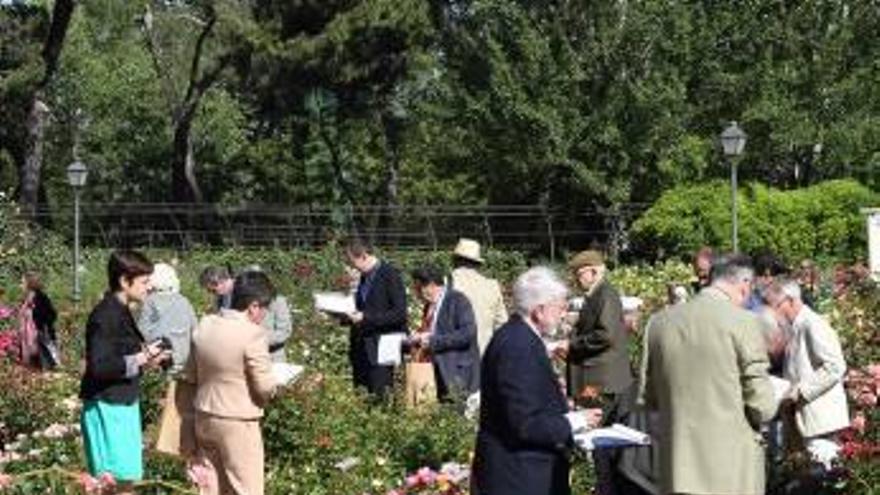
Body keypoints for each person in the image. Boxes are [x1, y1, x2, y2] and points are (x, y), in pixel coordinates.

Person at [641, 254, 777, 495]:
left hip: (677, 465)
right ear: (744, 284)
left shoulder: (659, 323)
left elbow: (649, 399)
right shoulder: (744, 322)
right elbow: (762, 405)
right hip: (731, 464)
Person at [472, 266, 602, 495]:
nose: (564, 315)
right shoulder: (518, 346)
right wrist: (575, 421)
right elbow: (525, 424)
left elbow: (525, 401)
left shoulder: (519, 337)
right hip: (519, 477)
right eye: (561, 307)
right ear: (540, 310)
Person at [79, 251, 171, 492]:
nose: (149, 287)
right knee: (112, 482)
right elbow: (100, 366)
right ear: (123, 281)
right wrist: (143, 356)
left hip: (121, 404)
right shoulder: (105, 315)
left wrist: (149, 360)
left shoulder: (121, 310)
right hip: (108, 406)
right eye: (144, 281)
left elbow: (120, 357)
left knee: (125, 480)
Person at [181, 270, 279, 495]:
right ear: (254, 306)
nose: (264, 314)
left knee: (210, 487)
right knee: (246, 488)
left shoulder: (205, 325)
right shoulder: (252, 334)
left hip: (204, 416)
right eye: (265, 308)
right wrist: (275, 386)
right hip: (238, 420)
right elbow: (264, 387)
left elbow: (190, 375)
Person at [762, 279, 850, 463]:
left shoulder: (813, 324)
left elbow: (835, 366)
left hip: (820, 424)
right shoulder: (796, 327)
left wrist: (800, 390)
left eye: (775, 306)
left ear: (792, 301)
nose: (772, 312)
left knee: (825, 480)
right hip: (806, 422)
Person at [343, 238, 407, 397]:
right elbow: (361, 308)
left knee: (381, 397)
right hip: (361, 349)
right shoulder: (364, 277)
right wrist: (344, 315)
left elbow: (399, 314)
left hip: (381, 349)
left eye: (352, 262)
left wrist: (365, 317)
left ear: (364, 256)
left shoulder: (389, 275)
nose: (351, 267)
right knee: (362, 397)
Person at [409, 265, 480, 402]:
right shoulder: (429, 305)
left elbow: (467, 334)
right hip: (436, 371)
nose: (415, 293)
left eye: (417, 288)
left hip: (457, 373)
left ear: (430, 285)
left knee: (457, 418)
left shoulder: (457, 300)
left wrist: (433, 341)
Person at [138, 263, 198, 375]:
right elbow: (195, 329)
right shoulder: (184, 300)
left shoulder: (151, 301)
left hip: (161, 359)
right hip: (184, 357)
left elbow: (142, 332)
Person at [449, 238, 507, 355]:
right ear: (477, 263)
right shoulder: (492, 286)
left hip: (455, 358)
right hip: (485, 354)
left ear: (455, 260)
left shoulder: (448, 282)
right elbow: (502, 324)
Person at [241, 265, 293, 363]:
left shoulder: (278, 301)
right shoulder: (244, 301)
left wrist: (260, 339)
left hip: (272, 357)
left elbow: (285, 332)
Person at [18, 272, 58, 369]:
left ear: (30, 283)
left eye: (22, 282)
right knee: (32, 367)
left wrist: (39, 322)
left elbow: (52, 314)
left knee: (43, 365)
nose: (20, 285)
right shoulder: (27, 298)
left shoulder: (41, 297)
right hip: (28, 337)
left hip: (38, 335)